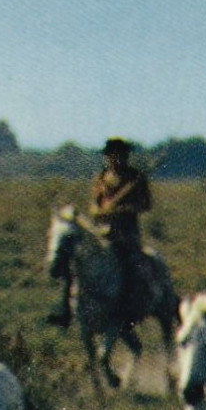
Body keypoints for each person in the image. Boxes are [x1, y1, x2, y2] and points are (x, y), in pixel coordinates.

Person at [50, 137, 154, 326]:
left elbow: (145, 205)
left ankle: (127, 308)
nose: (114, 159)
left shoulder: (135, 178)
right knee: (76, 261)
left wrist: (121, 210)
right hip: (101, 231)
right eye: (111, 155)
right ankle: (64, 310)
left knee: (130, 266)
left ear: (125, 156)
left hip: (126, 234)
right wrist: (97, 210)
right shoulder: (101, 177)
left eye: (119, 155)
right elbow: (94, 204)